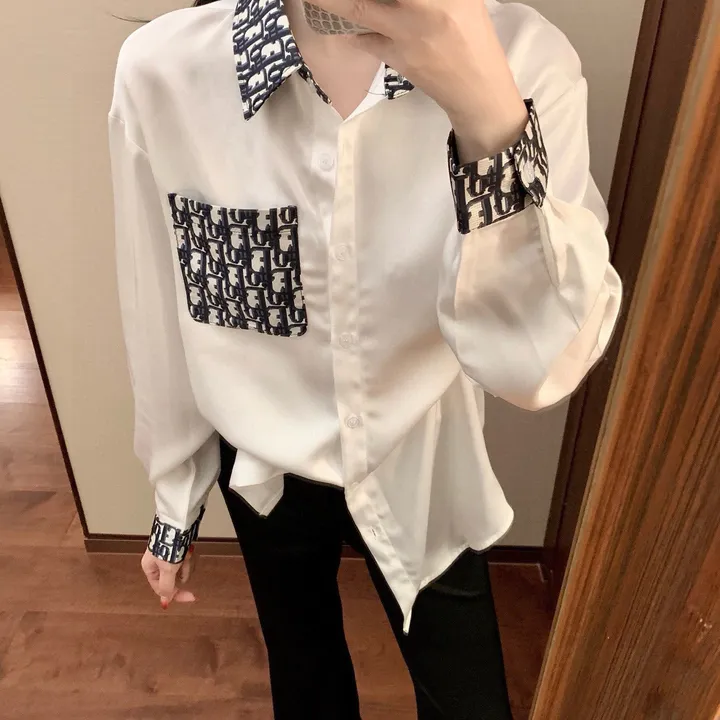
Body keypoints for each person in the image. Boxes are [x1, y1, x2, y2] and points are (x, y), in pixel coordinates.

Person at [108, 0, 622, 717]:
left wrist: (489, 120)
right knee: (304, 677)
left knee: (468, 697)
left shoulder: (526, 61)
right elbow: (161, 311)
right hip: (266, 474)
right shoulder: (166, 74)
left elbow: (541, 366)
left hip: (422, 458)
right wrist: (175, 501)